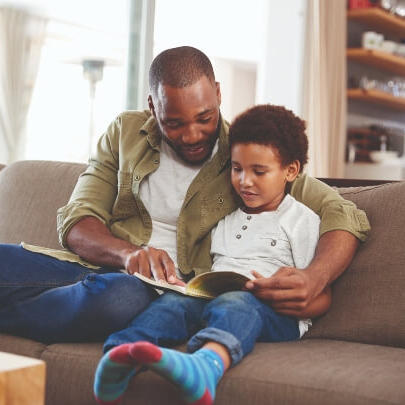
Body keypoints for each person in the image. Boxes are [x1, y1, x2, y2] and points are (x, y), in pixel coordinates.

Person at [0, 46, 369, 347]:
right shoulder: (125, 133)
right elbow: (79, 219)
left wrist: (314, 278)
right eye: (174, 123)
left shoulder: (245, 156)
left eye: (204, 118)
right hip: (91, 267)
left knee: (119, 299)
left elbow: (343, 212)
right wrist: (128, 254)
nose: (192, 135)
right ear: (152, 105)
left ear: (219, 95)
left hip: (151, 294)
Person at [93, 104, 331, 405]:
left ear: (291, 170)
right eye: (237, 169)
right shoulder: (224, 221)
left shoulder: (302, 220)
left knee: (239, 301)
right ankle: (121, 354)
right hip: (214, 300)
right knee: (174, 301)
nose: (245, 181)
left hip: (274, 314)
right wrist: (186, 285)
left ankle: (207, 363)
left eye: (259, 171)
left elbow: (323, 297)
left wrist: (294, 296)